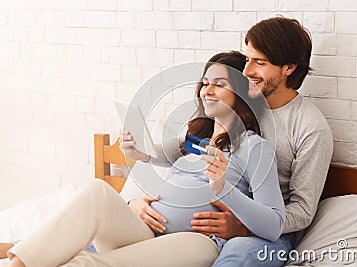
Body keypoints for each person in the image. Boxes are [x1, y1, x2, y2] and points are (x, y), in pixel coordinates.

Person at [5, 51, 285, 267]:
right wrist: (137, 161)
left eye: (219, 84)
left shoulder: (254, 147)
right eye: (205, 83)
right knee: (97, 191)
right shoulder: (194, 138)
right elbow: (154, 152)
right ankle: (18, 262)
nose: (207, 90)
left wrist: (224, 189)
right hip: (145, 230)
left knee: (90, 261)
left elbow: (273, 226)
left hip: (196, 242)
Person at [121, 17, 333, 267]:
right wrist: (143, 154)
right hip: (208, 220)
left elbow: (303, 209)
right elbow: (185, 147)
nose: (246, 71)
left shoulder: (310, 127)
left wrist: (244, 225)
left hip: (265, 232)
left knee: (239, 253)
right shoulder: (233, 107)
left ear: (289, 67)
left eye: (259, 63)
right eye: (247, 60)